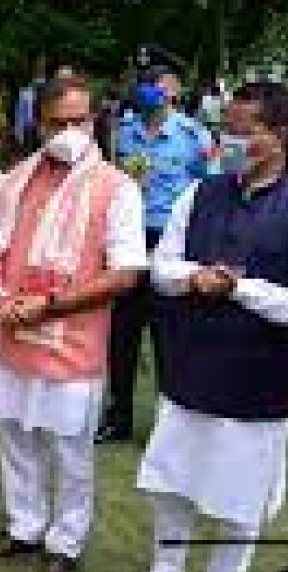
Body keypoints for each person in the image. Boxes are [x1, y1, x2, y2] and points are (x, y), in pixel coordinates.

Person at [122, 82, 288, 572]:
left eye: (246, 131)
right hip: (191, 363)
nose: (231, 141)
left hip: (257, 377)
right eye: (228, 129)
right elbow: (161, 265)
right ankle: (165, 571)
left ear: (281, 136)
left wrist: (241, 289)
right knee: (173, 481)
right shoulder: (200, 192)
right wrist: (194, 277)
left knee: (241, 496)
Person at [0, 75, 147, 572]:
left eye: (79, 121)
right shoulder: (16, 181)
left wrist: (48, 306)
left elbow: (126, 273)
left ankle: (65, 544)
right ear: (39, 124)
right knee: (14, 435)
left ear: (94, 121)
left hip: (73, 344)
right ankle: (24, 526)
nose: (70, 132)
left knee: (70, 450)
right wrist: (2, 296)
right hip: (13, 336)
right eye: (58, 122)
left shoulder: (116, 188)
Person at [98, 68, 217, 444]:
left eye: (159, 84)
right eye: (145, 85)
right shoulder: (124, 131)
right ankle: (118, 417)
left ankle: (170, 425)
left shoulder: (194, 135)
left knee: (169, 335)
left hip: (171, 241)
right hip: (130, 240)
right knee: (122, 334)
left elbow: (211, 189)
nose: (150, 91)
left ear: (174, 90)